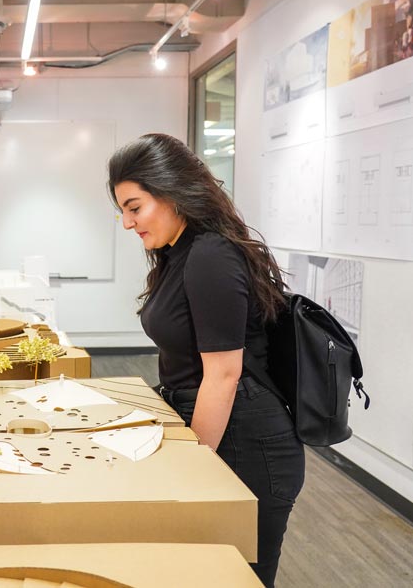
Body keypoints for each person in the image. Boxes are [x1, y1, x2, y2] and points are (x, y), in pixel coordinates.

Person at [108, 134, 304, 588]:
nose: (126, 222)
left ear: (172, 190)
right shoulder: (179, 254)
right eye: (122, 210)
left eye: (135, 207)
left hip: (246, 441)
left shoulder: (210, 255)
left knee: (234, 579)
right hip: (221, 427)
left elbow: (224, 374)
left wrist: (194, 468)